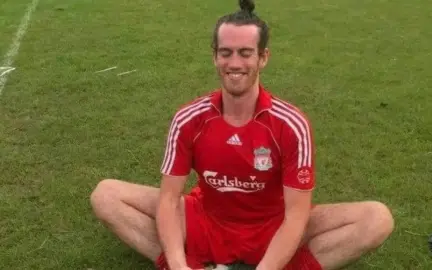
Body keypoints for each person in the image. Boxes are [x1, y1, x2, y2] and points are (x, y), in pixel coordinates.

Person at [89, 0, 395, 269]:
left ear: (263, 57)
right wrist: (178, 264)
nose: (235, 63)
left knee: (377, 219)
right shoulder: (188, 119)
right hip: (207, 221)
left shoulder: (290, 124)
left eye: (245, 53)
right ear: (215, 56)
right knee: (106, 195)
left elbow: (296, 216)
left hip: (272, 227)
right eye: (226, 53)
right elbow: (169, 200)